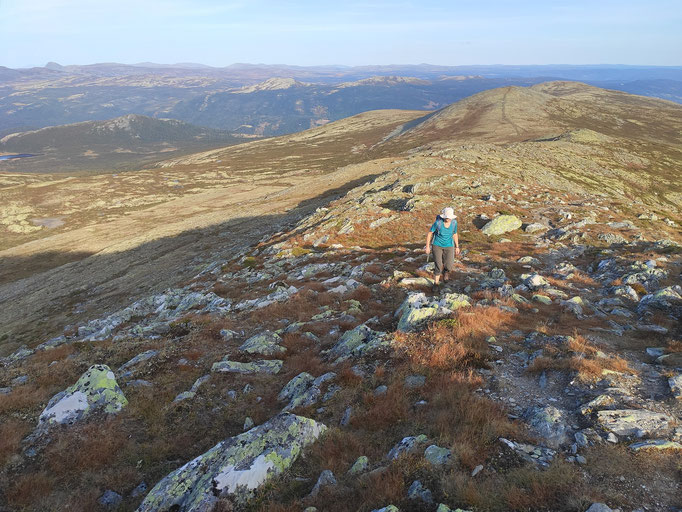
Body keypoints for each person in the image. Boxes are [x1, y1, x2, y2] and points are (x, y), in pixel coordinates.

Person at [425, 207, 460, 291]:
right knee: (438, 265)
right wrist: (427, 246)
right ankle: (436, 283)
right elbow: (430, 233)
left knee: (449, 264)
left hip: (449, 245)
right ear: (444, 216)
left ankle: (446, 271)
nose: (448, 219)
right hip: (437, 245)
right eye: (446, 217)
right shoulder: (438, 223)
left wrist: (457, 246)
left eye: (449, 217)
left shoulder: (454, 223)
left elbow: (455, 234)